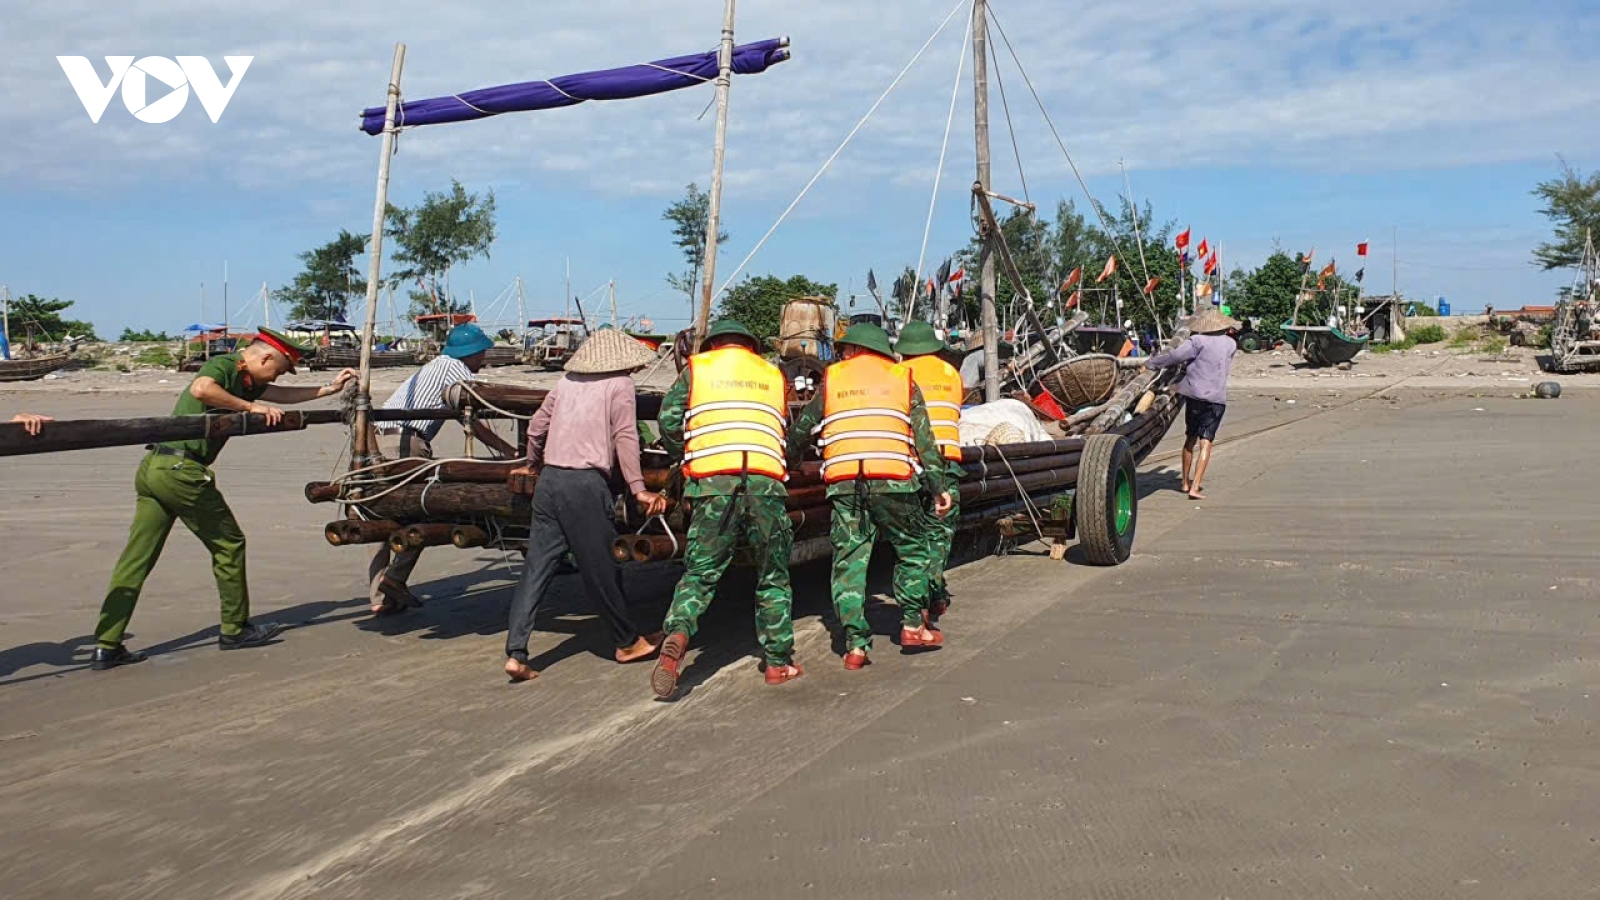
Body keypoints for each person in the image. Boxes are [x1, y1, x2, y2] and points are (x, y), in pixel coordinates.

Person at [90, 328, 357, 670]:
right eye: (278, 367)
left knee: (137, 557)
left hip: (155, 467)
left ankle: (107, 643)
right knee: (230, 544)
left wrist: (328, 390)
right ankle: (235, 629)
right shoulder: (226, 366)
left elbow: (280, 396)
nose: (277, 375)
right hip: (181, 470)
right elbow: (202, 389)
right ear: (264, 358)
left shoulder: (245, 378)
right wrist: (250, 408)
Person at [504, 329, 669, 682]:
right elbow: (625, 435)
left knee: (537, 567)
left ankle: (516, 652)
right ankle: (627, 642)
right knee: (602, 567)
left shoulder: (566, 382)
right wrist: (638, 488)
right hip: (584, 484)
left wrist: (533, 464)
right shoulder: (620, 385)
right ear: (623, 361)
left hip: (550, 482)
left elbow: (536, 428)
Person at [650, 319, 803, 698]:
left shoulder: (697, 369)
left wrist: (686, 455)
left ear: (714, 344)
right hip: (766, 483)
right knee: (772, 575)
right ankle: (778, 663)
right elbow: (782, 426)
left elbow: (668, 420)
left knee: (700, 573)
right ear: (750, 347)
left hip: (713, 483)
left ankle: (678, 636)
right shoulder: (773, 374)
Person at [790, 323, 953, 670]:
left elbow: (802, 429)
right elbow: (924, 441)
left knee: (850, 561)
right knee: (912, 549)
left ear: (854, 349)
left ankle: (855, 646)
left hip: (846, 483)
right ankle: (912, 626)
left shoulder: (832, 379)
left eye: (845, 349)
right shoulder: (902, 378)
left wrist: (789, 463)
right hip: (894, 480)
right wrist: (938, 488)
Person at [367, 323, 519, 614]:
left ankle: (379, 597)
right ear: (471, 353)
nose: (483, 358)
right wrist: (507, 450)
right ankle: (395, 579)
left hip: (380, 442)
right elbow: (474, 418)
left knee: (379, 512)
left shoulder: (438, 365)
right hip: (406, 444)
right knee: (423, 508)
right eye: (482, 353)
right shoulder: (456, 369)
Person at [893, 321, 964, 620]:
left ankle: (921, 597)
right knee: (939, 533)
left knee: (914, 534)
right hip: (947, 464)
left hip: (911, 463)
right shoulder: (952, 374)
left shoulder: (899, 374)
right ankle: (932, 594)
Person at [1144, 308, 1239, 500]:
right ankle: (1196, 487)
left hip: (1195, 396)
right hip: (1217, 399)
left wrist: (1151, 363)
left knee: (1190, 440)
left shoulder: (1197, 341)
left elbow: (1174, 357)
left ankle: (1185, 483)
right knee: (1207, 442)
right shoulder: (1231, 344)